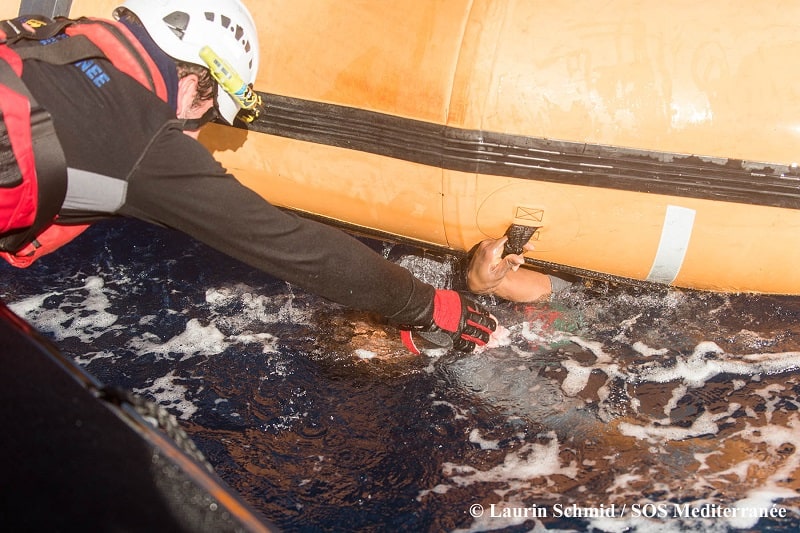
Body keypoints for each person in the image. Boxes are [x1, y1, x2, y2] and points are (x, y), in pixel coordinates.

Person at [1, 0, 556, 354]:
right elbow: (293, 246)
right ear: (198, 83)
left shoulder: (50, 36)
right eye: (207, 117)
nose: (192, 137)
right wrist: (433, 305)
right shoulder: (142, 136)